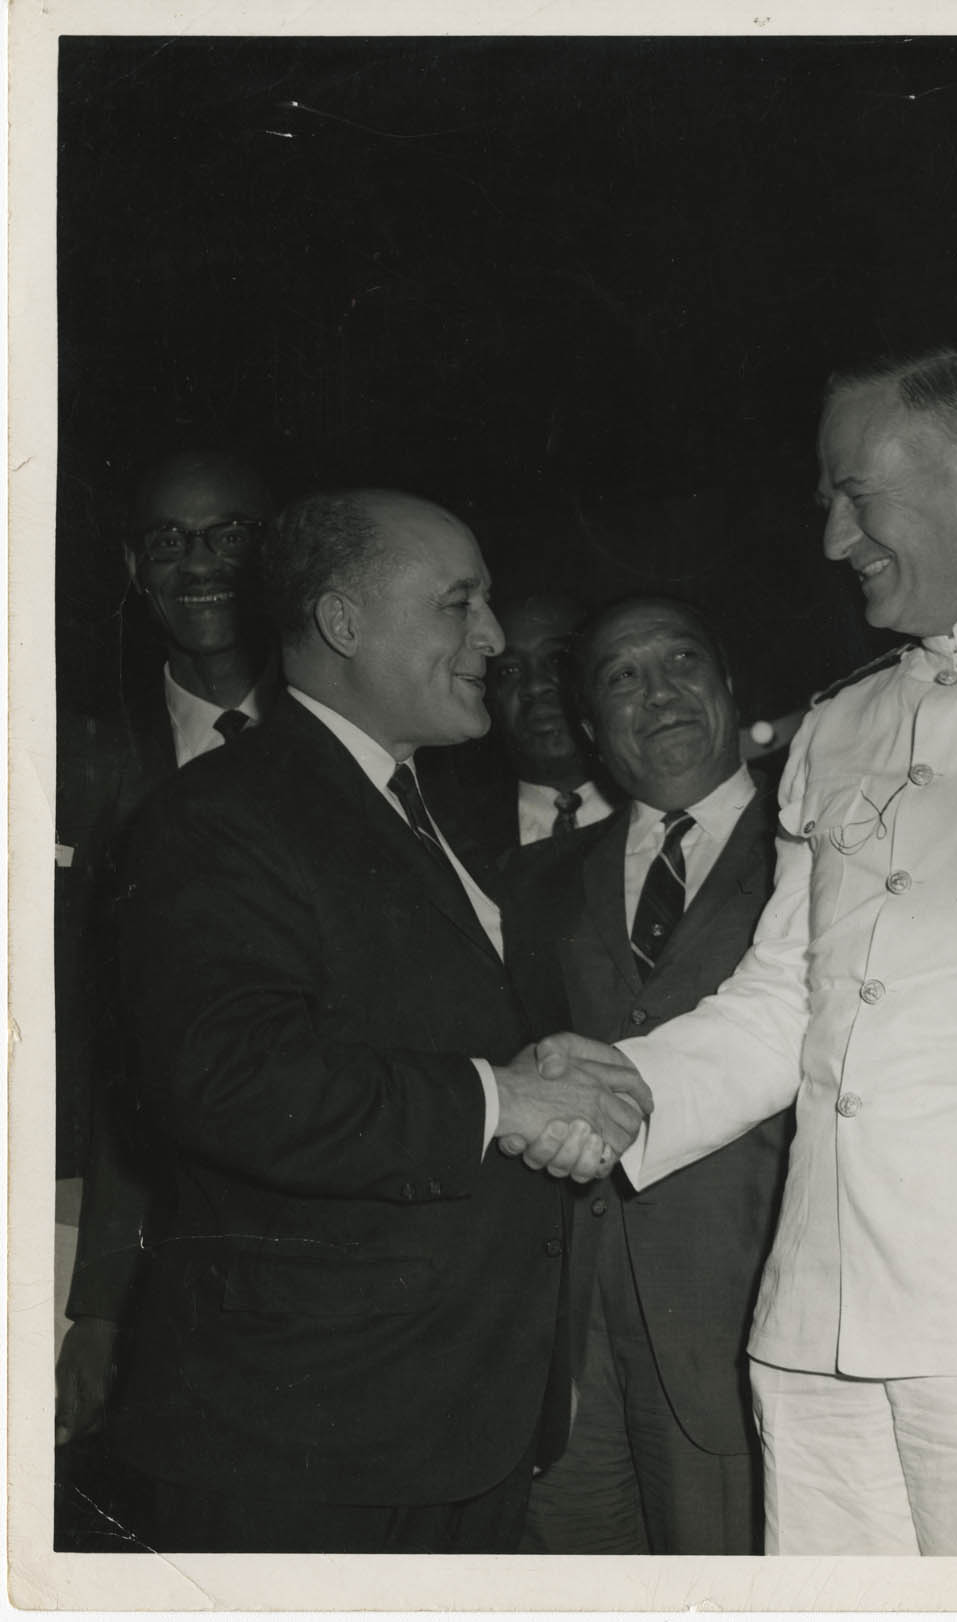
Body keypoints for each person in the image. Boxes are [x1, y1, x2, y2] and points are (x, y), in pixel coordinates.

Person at [525, 347, 957, 1555]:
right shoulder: (843, 724)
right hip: (815, 1319)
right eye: (826, 500)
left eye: (855, 494)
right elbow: (783, 998)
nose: (831, 536)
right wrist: (616, 1081)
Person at [106, 488, 653, 1552]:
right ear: (343, 623)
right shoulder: (216, 813)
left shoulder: (419, 805)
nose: (493, 639)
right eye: (459, 604)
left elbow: (411, 1031)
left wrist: (543, 1067)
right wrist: (504, 1097)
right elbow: (230, 1075)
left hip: (453, 1421)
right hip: (306, 1442)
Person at [506, 597, 789, 1554]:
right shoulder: (531, 881)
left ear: (727, 683)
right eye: (622, 677)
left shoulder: (823, 845)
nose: (658, 694)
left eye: (681, 663)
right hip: (565, 1336)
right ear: (589, 724)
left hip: (742, 1320)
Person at [56, 452, 280, 1530]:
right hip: (131, 1229)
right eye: (169, 539)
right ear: (133, 567)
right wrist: (95, 1298)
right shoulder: (77, 759)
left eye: (228, 533)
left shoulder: (363, 737)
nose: (198, 563)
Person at [430, 593, 618, 890]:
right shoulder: (449, 834)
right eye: (509, 670)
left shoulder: (657, 805)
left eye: (557, 660)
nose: (535, 685)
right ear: (486, 692)